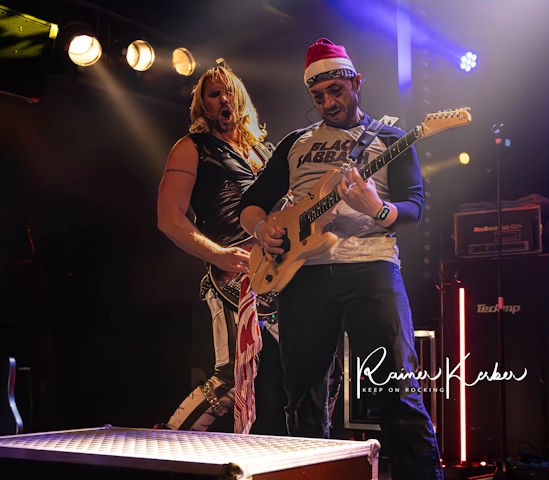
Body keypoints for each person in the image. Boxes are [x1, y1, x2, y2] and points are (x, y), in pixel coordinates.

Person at [240, 38, 443, 479]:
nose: (329, 103)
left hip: (372, 267)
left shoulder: (390, 139)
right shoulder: (295, 143)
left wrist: (378, 209)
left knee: (397, 391)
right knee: (303, 399)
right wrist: (262, 229)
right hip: (304, 274)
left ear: (357, 82)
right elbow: (251, 204)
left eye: (336, 91)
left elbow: (414, 207)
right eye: (318, 96)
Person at [156, 65, 286, 434]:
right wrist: (218, 254)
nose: (224, 99)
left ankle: (305, 453)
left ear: (242, 99)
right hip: (235, 276)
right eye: (214, 94)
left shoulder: (267, 151)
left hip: (281, 273)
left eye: (230, 92)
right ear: (204, 105)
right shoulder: (191, 148)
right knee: (231, 377)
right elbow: (168, 218)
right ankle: (168, 444)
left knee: (314, 367)